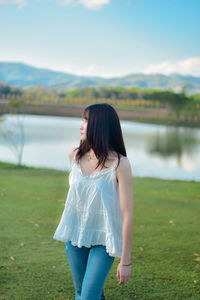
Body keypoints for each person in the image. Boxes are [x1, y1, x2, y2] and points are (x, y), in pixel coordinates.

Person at [53, 103, 134, 300]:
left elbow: (127, 213)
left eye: (86, 120)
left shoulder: (120, 164)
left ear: (100, 125)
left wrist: (125, 261)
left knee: (88, 296)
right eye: (82, 120)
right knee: (83, 293)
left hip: (104, 240)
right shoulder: (75, 155)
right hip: (75, 236)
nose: (81, 125)